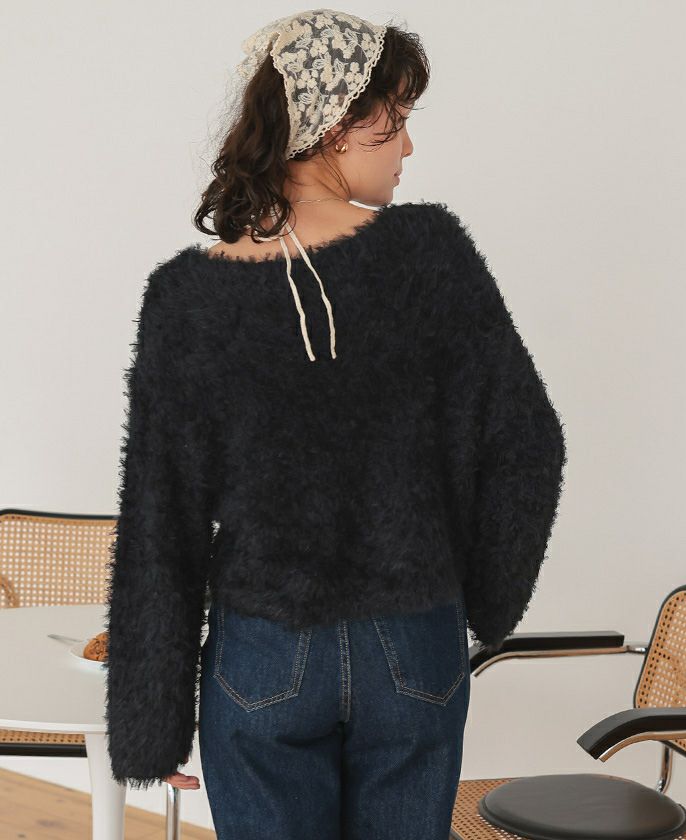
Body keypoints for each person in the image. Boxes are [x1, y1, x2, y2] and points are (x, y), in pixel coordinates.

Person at [104, 8, 567, 839]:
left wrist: (151, 724)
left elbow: (160, 522)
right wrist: (479, 605)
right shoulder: (430, 253)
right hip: (415, 642)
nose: (408, 147)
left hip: (263, 654)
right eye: (399, 119)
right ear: (337, 122)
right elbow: (527, 443)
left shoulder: (186, 297)